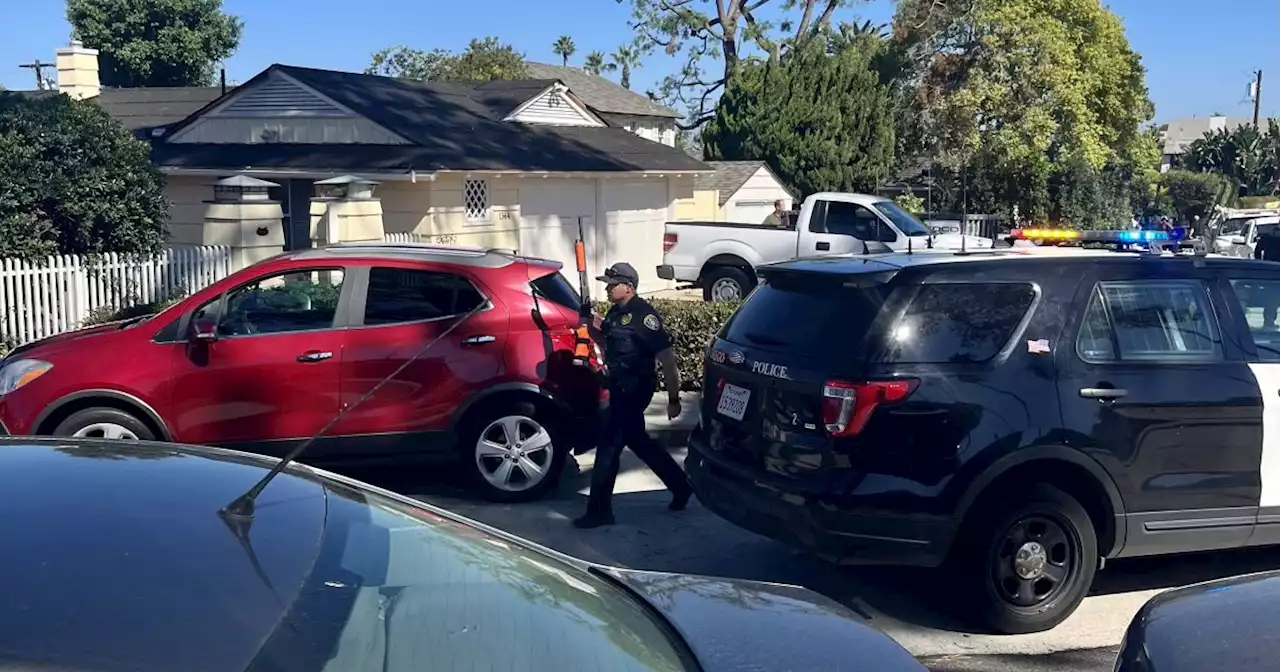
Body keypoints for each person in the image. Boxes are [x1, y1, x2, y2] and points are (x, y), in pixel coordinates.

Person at [574, 262, 693, 529]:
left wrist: (674, 399)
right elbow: (607, 341)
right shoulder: (616, 314)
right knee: (639, 442)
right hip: (618, 387)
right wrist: (587, 321)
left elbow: (667, 360)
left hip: (635, 390)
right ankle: (681, 487)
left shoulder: (644, 317)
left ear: (628, 287)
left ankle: (599, 511)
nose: (607, 288)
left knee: (608, 447)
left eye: (612, 284)